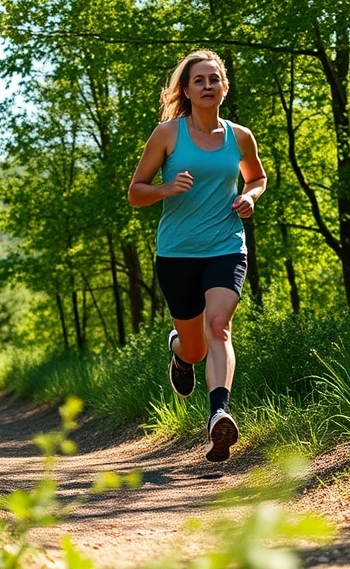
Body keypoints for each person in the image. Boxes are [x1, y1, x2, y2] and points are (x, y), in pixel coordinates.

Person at [127, 50, 267, 462]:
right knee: (195, 348)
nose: (207, 86)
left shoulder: (240, 136)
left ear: (224, 86)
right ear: (186, 91)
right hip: (177, 253)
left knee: (219, 325)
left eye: (214, 79)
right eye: (199, 81)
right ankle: (179, 352)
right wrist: (165, 190)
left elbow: (256, 176)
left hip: (225, 246)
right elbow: (136, 192)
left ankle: (218, 414)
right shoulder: (168, 134)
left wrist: (250, 196)